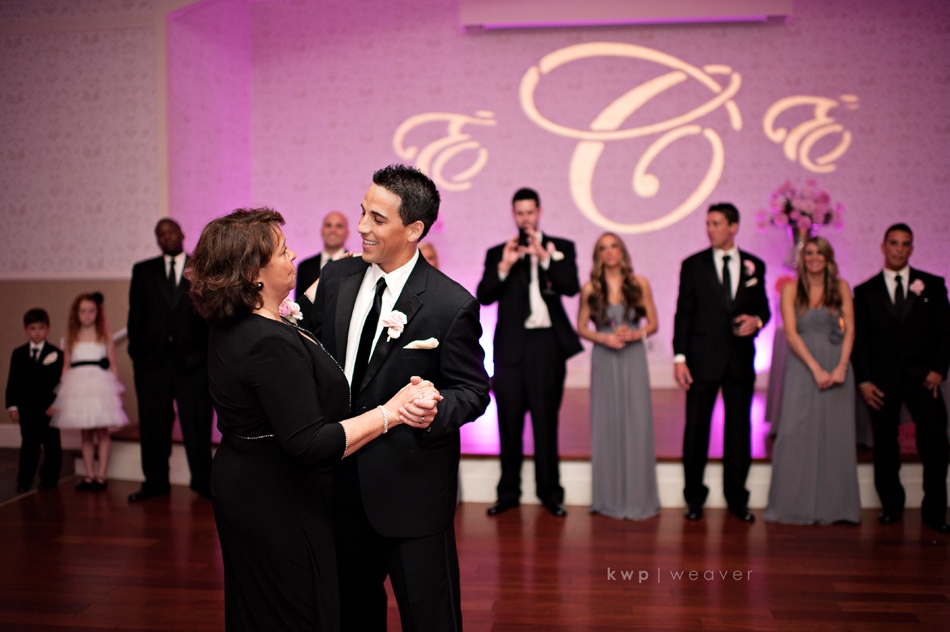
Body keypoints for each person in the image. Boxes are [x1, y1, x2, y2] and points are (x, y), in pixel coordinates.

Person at [188, 207, 440, 631]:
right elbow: (311, 443)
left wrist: (330, 280)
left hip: (247, 479)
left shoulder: (239, 319)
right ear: (252, 274)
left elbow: (291, 318)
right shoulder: (266, 342)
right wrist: (392, 411)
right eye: (283, 251)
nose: (293, 256)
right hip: (274, 497)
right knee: (290, 609)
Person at [307, 164, 490, 631]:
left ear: (414, 230)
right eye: (362, 212)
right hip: (338, 490)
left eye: (378, 219)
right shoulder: (336, 279)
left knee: (430, 618)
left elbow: (473, 391)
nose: (361, 227)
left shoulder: (451, 304)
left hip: (413, 497)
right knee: (350, 616)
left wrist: (434, 409)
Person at [477, 187, 583, 518]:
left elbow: (571, 286)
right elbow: (483, 295)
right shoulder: (499, 252)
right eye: (520, 213)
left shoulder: (560, 247)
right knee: (508, 425)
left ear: (539, 212)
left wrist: (545, 257)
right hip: (510, 350)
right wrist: (504, 267)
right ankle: (508, 493)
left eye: (530, 212)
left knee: (546, 423)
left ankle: (550, 493)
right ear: (514, 214)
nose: (525, 218)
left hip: (547, 347)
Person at [673, 202, 770, 522]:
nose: (710, 229)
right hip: (701, 360)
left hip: (739, 360)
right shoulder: (693, 265)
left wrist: (757, 321)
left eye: (716, 223)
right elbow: (683, 314)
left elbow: (764, 308)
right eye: (708, 224)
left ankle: (737, 497)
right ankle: (693, 497)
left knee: (739, 430)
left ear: (733, 227)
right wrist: (680, 357)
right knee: (696, 430)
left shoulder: (754, 265)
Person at [853, 223, 950, 533]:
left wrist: (938, 369)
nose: (899, 248)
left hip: (924, 379)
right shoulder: (864, 291)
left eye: (905, 244)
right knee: (884, 445)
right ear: (883, 247)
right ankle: (891, 506)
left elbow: (945, 332)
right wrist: (864, 381)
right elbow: (860, 341)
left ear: (911, 249)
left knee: (936, 442)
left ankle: (935, 511)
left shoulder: (932, 285)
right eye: (893, 243)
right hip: (881, 381)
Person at [764, 237, 861, 525]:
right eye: (809, 253)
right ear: (802, 258)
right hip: (802, 365)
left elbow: (851, 328)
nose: (814, 257)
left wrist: (841, 366)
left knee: (836, 436)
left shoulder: (841, 287)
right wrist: (816, 369)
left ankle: (837, 508)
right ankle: (792, 505)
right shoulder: (791, 288)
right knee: (794, 433)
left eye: (819, 252)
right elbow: (791, 333)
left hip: (837, 363)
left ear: (828, 258)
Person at [126, 218, 214, 502]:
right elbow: (135, 316)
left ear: (182, 233)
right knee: (153, 424)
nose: (166, 237)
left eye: (170, 231)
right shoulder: (143, 271)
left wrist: (206, 355)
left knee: (198, 424)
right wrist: (138, 353)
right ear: (157, 240)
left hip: (194, 364)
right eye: (161, 234)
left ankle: (203, 482)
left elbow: (210, 315)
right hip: (153, 365)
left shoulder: (201, 266)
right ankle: (154, 482)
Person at [576, 233, 660, 520]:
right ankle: (608, 498)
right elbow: (581, 327)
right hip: (604, 355)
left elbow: (654, 323)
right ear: (598, 255)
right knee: (606, 420)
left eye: (614, 246)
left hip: (633, 355)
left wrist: (637, 334)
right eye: (603, 248)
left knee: (638, 420)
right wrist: (602, 338)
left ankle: (638, 497)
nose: (609, 251)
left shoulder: (640, 284)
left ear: (622, 251)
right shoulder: (590, 288)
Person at [50, 293, 129, 491]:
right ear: (76, 314)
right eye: (83, 311)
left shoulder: (105, 336)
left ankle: (101, 474)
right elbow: (66, 366)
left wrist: (117, 392)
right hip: (79, 389)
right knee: (85, 433)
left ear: (98, 313)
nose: (87, 315)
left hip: (100, 388)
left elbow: (113, 366)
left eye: (91, 311)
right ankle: (89, 475)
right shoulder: (71, 337)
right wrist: (63, 396)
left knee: (102, 432)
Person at [6, 308, 64, 494]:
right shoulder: (19, 353)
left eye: (41, 328)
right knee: (29, 445)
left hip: (48, 409)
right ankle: (24, 480)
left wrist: (56, 404)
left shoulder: (56, 353)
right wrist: (13, 405)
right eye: (33, 328)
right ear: (26, 330)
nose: (37, 332)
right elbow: (13, 381)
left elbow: (62, 383)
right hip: (27, 409)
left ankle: (49, 478)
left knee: (51, 445)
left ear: (48, 328)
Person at [295, 210, 350, 322]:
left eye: (339, 226)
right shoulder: (305, 267)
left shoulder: (356, 265)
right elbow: (299, 308)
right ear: (321, 231)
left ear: (347, 233)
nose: (333, 230)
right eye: (328, 225)